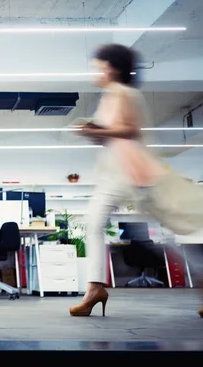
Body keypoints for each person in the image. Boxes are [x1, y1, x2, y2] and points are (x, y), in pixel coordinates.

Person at [69, 43, 184, 317]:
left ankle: (95, 290)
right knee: (93, 224)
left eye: (99, 65)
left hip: (132, 172)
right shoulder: (109, 96)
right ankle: (95, 288)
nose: (96, 70)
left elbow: (130, 130)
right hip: (114, 173)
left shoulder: (125, 93)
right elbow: (109, 135)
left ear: (112, 68)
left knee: (169, 232)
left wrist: (100, 130)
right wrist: (92, 132)